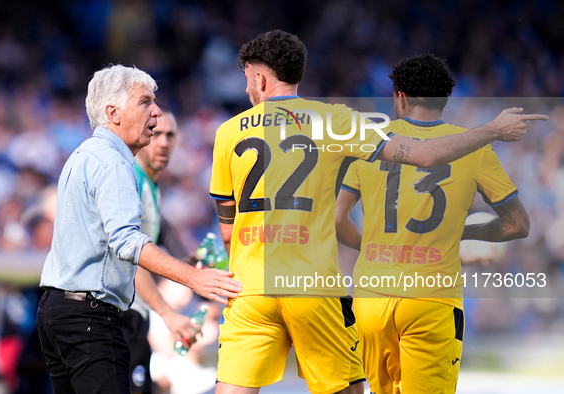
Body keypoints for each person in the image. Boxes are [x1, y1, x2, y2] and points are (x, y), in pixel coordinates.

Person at [209, 30, 546, 394]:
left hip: (266, 289)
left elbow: (232, 230)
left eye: (246, 81)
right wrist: (491, 131)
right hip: (335, 288)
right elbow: (430, 158)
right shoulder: (335, 121)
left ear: (259, 77)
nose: (246, 90)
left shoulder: (227, 132)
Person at [36, 64, 242, 394]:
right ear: (113, 113)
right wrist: (194, 278)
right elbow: (127, 243)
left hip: (59, 311)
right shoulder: (115, 162)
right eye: (145, 101)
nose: (157, 111)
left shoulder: (83, 154)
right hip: (91, 317)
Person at [335, 54, 530, 394]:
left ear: (401, 97)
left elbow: (337, 220)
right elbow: (517, 225)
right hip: (432, 299)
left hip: (370, 299)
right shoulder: (474, 147)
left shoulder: (369, 141)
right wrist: (462, 232)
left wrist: (375, 248)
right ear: (445, 100)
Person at [121, 108, 199, 394]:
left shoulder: (150, 185)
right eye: (156, 133)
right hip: (123, 315)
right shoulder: (134, 181)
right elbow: (133, 256)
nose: (164, 142)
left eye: (170, 135)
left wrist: (189, 263)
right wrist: (167, 313)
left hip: (135, 315)